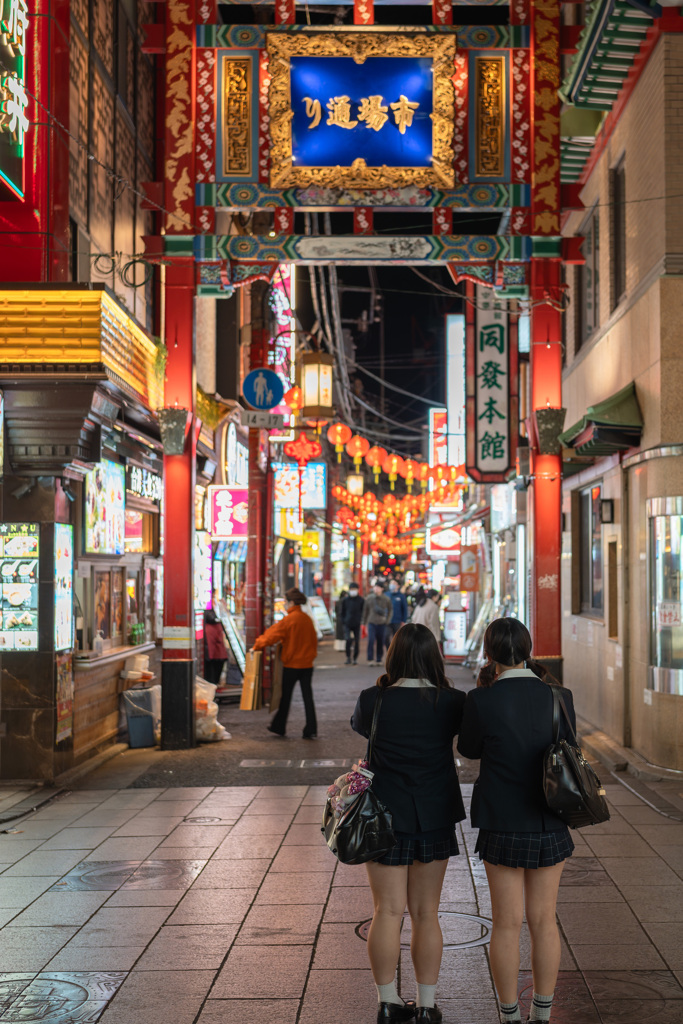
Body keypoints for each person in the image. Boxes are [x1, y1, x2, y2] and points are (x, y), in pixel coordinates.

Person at [457, 618, 576, 1024]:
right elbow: (570, 747)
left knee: (505, 923)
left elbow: (469, 749)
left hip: (501, 821)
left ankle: (509, 1016)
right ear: (528, 649)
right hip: (550, 820)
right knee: (545, 920)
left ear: (489, 653)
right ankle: (541, 1015)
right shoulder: (560, 696)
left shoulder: (481, 699)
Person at [351, 623, 466, 1024]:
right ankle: (429, 1005)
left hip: (382, 816)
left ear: (393, 655)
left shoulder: (373, 700)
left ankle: (388, 1003)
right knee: (426, 913)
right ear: (434, 656)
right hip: (434, 815)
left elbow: (363, 730)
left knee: (386, 912)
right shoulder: (452, 701)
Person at [253, 587, 318, 739]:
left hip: (291, 666)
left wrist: (256, 646)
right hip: (307, 665)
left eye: (285, 601)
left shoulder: (289, 620)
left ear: (291, 602)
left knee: (286, 697)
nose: (284, 604)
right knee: (308, 697)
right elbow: (314, 641)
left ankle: (279, 726)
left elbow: (271, 636)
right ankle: (311, 728)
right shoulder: (307, 619)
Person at [362, 582, 393, 666]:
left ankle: (379, 659)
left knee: (380, 641)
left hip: (382, 623)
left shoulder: (386, 599)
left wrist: (387, 620)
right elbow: (365, 610)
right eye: (375, 587)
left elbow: (390, 610)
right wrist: (364, 623)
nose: (376, 588)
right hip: (371, 622)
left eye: (378, 587)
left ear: (382, 589)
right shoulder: (369, 598)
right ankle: (370, 659)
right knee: (371, 640)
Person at [203, 609, 229, 686]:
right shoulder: (218, 626)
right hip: (219, 655)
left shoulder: (206, 627)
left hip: (211, 656)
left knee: (210, 678)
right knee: (215, 677)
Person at [341, 582, 364, 665]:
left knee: (357, 641)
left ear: (358, 590)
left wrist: (361, 621)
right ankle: (348, 657)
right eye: (351, 589)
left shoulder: (361, 600)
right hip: (347, 623)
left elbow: (363, 611)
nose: (353, 591)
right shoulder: (345, 600)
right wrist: (343, 621)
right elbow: (342, 612)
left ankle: (355, 658)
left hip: (357, 623)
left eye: (354, 589)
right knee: (348, 640)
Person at [386, 579, 408, 649]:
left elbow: (405, 608)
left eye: (394, 583)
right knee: (385, 636)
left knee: (396, 638)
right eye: (391, 583)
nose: (392, 585)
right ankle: (389, 650)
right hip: (387, 620)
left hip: (397, 621)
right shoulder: (386, 594)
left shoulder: (401, 596)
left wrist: (404, 620)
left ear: (398, 586)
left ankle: (395, 651)